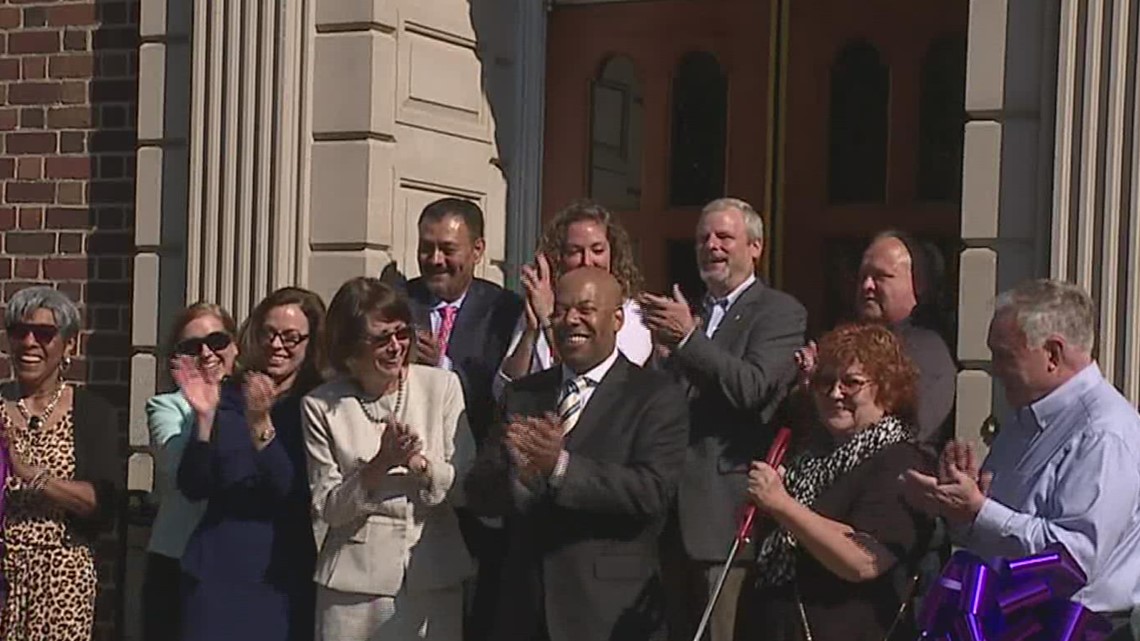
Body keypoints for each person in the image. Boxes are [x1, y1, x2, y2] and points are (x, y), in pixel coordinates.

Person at [902, 279, 1140, 640]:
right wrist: (961, 507)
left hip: (1074, 629)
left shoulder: (1104, 433)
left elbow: (1072, 561)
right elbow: (994, 536)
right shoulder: (1025, 420)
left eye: (1004, 355)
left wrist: (979, 511)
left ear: (1053, 354)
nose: (994, 370)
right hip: (1007, 621)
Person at [466, 267, 689, 641]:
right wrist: (517, 475)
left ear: (617, 319)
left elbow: (652, 491)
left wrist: (560, 468)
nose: (571, 320)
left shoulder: (655, 396)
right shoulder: (523, 394)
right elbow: (478, 492)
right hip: (525, 607)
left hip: (607, 611)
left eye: (585, 309)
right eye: (561, 310)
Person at [638, 197, 806, 641]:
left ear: (755, 247)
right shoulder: (689, 311)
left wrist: (688, 340)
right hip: (666, 517)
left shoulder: (779, 311)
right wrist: (663, 360)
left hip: (723, 519)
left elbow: (754, 388)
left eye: (724, 237)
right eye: (702, 239)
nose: (711, 246)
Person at [735, 323, 935, 641]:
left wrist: (782, 504)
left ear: (888, 389)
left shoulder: (900, 462)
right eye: (825, 382)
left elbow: (864, 561)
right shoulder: (808, 456)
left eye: (851, 383)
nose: (835, 393)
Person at [303, 277, 475, 641]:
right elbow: (329, 508)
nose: (396, 346)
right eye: (382, 339)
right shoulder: (321, 405)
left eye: (402, 333)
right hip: (353, 587)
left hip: (432, 575)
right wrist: (380, 464)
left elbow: (466, 488)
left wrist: (420, 465)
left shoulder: (441, 387)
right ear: (350, 346)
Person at [176, 287, 327, 641]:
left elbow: (292, 491)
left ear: (311, 342)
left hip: (281, 573)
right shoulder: (229, 395)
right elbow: (193, 486)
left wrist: (261, 423)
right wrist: (204, 419)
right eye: (268, 333)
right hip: (217, 570)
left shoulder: (319, 404)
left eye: (290, 337)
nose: (277, 345)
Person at [404, 198, 522, 641]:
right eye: (426, 247)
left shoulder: (505, 310)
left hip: (476, 489)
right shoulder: (397, 302)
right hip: (410, 489)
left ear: (478, 250)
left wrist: (442, 368)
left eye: (447, 249)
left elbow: (504, 398)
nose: (435, 260)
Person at [0, 286, 122, 640]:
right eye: (19, 331)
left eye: (44, 333)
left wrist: (31, 475)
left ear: (69, 345)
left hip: (63, 578)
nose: (29, 343)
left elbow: (101, 502)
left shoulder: (93, 413)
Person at [800, 231, 956, 448]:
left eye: (881, 277)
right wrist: (812, 386)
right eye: (862, 277)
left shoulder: (928, 350)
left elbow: (910, 429)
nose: (867, 286)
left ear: (918, 283)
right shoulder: (844, 341)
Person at [142, 302, 239, 641]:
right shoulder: (166, 407)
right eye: (192, 347)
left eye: (217, 341)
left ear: (235, 347)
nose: (206, 353)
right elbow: (180, 475)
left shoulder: (254, 403)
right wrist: (203, 415)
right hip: (178, 561)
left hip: (239, 563)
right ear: (177, 357)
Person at [495, 199, 652, 398]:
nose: (587, 261)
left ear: (613, 253)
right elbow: (503, 392)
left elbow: (597, 384)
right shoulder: (542, 303)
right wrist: (531, 331)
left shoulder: (631, 315)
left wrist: (548, 320)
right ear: (560, 257)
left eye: (597, 250)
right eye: (575, 252)